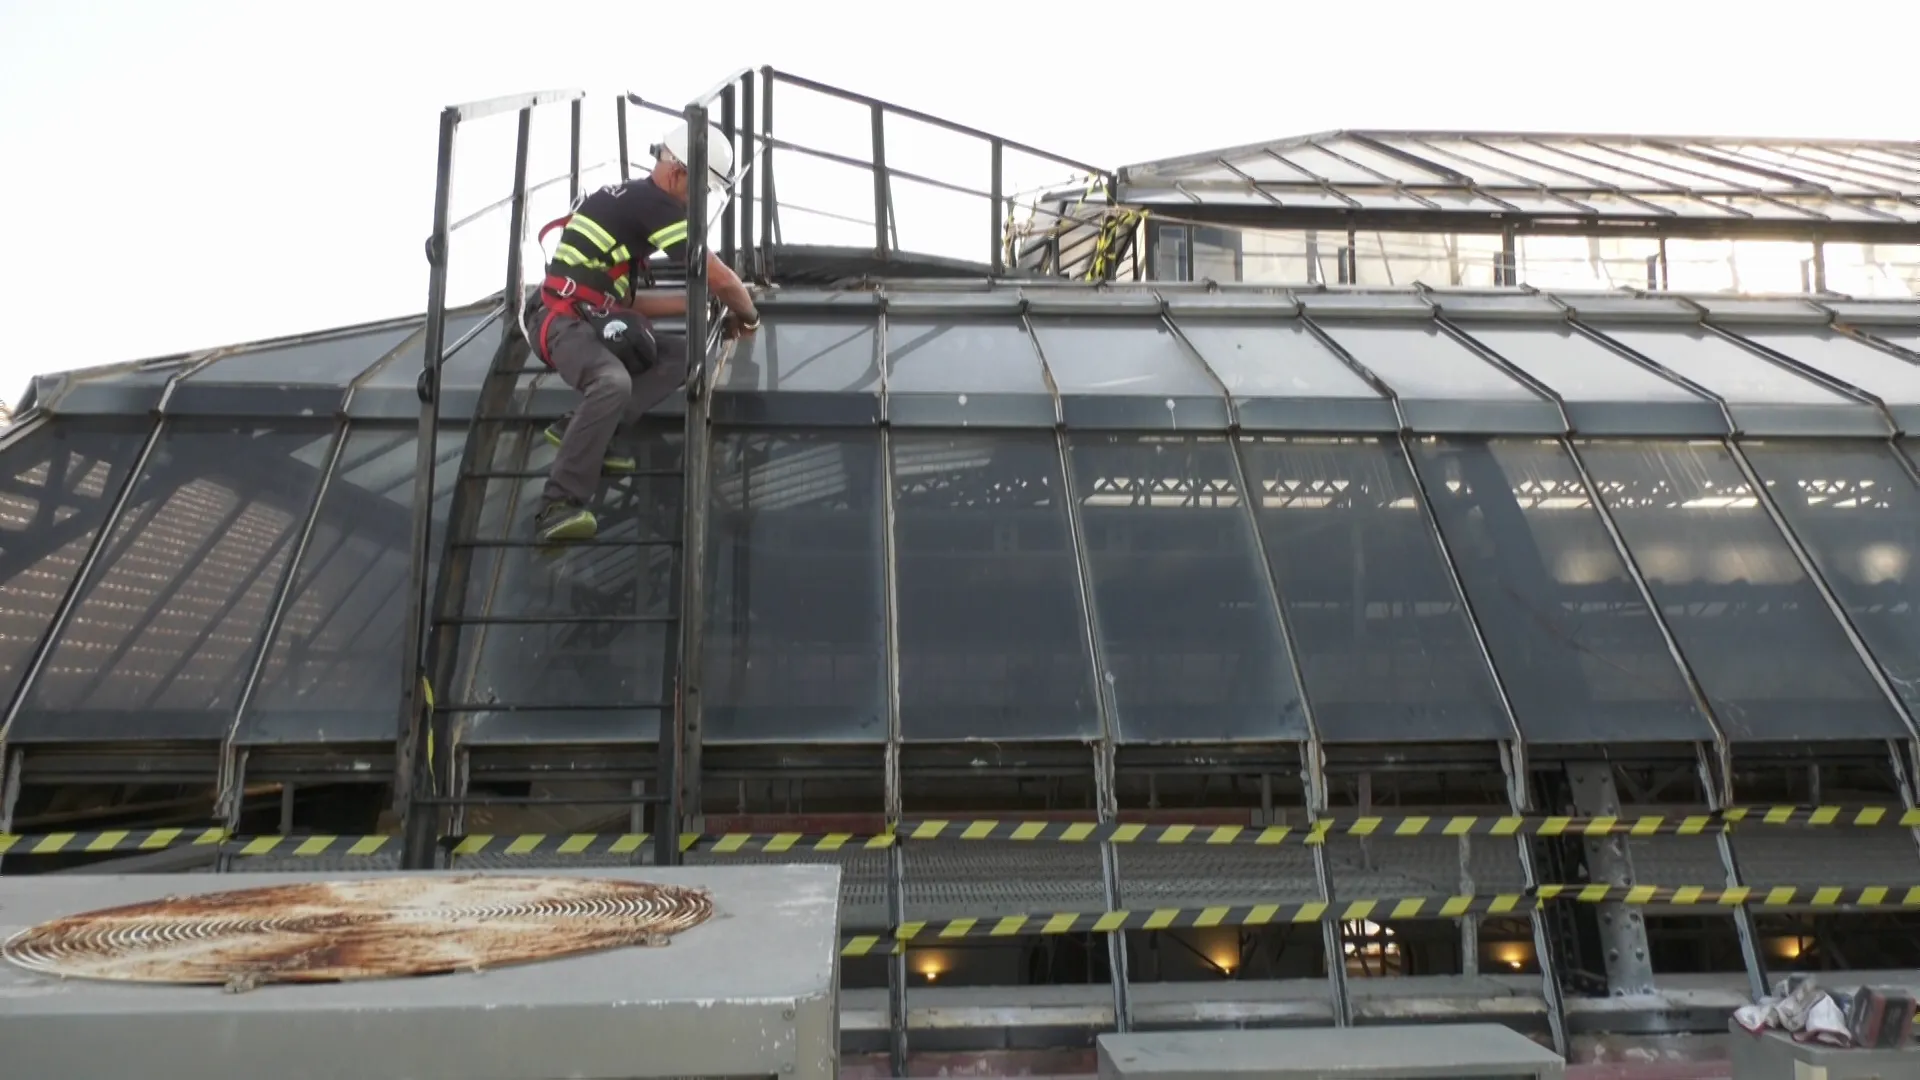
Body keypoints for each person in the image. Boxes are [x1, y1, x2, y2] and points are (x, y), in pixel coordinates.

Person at [524, 120, 761, 543]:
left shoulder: (630, 210)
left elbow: (623, 303)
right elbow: (718, 277)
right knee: (611, 381)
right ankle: (557, 505)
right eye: (701, 192)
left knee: (682, 355)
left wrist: (705, 309)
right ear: (678, 174)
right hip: (559, 320)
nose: (698, 204)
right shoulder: (655, 205)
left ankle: (586, 427)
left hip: (586, 316)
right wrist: (749, 315)